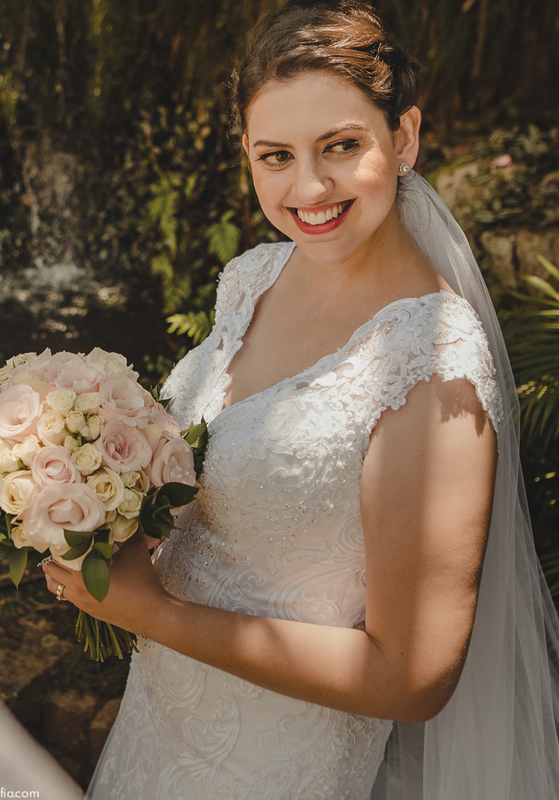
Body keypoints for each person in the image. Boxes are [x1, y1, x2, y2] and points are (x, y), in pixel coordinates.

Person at [41, 2, 559, 798]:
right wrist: (89, 506)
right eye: (275, 155)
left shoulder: (434, 369)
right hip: (162, 736)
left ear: (405, 138)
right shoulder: (254, 278)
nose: (308, 187)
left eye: (342, 146)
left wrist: (146, 612)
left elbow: (412, 676)